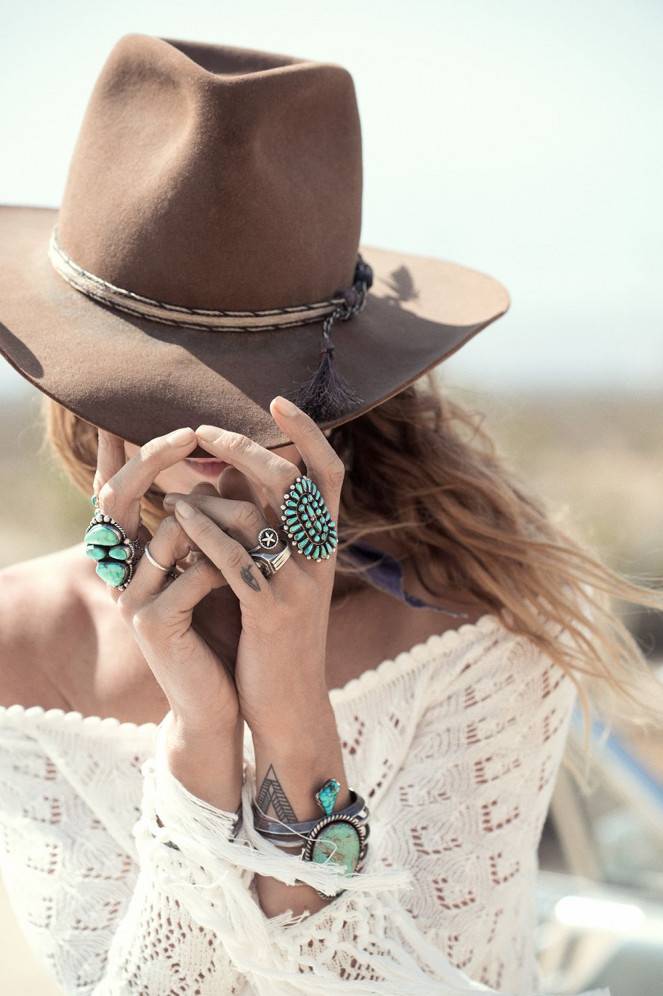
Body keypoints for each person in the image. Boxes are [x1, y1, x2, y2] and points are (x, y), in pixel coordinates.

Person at [0, 32, 659, 996]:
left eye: (242, 384)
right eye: (151, 382)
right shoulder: (18, 641)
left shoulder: (476, 625)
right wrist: (199, 736)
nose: (199, 427)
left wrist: (292, 716)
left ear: (338, 386)